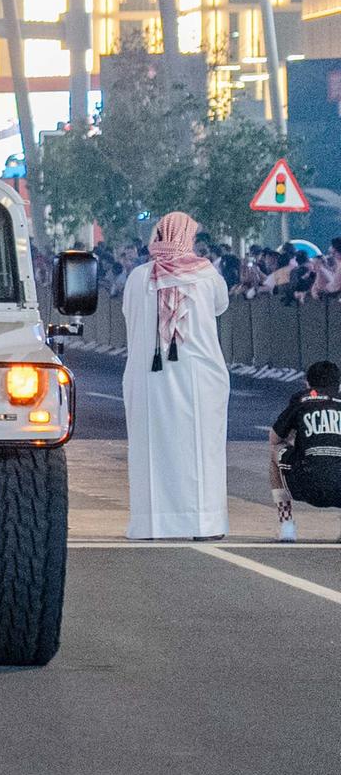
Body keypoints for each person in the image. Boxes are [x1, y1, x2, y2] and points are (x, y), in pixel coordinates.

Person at [123, 210, 229, 540]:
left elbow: (129, 316)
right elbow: (220, 306)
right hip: (199, 377)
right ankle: (203, 523)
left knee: (152, 449)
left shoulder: (139, 277)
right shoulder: (206, 275)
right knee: (201, 449)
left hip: (149, 378)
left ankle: (152, 523)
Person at [270, 359, 341, 542]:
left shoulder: (302, 399)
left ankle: (286, 525)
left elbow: (274, 438)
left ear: (307, 384)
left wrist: (295, 437)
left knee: (274, 452)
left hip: (306, 483)